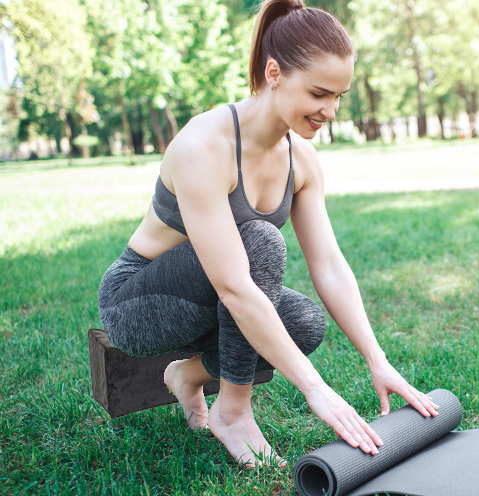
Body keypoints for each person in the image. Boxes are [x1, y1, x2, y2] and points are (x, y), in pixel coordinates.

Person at [98, 0, 439, 469]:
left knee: (302, 322)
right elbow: (236, 288)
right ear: (274, 72)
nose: (331, 110)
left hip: (216, 294)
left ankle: (188, 376)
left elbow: (330, 265)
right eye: (320, 93)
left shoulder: (302, 159)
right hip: (138, 302)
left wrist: (378, 361)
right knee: (260, 241)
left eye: (339, 96)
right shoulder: (204, 146)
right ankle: (233, 412)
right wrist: (317, 390)